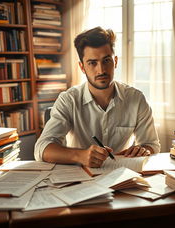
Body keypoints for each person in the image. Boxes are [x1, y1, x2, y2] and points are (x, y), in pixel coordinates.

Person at [34, 27, 160, 168]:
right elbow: (42, 149)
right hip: (80, 178)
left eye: (106, 60)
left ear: (115, 61)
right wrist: (80, 155)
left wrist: (144, 149)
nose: (101, 70)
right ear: (82, 67)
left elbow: (152, 144)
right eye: (92, 63)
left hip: (122, 179)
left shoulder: (136, 99)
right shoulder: (68, 100)